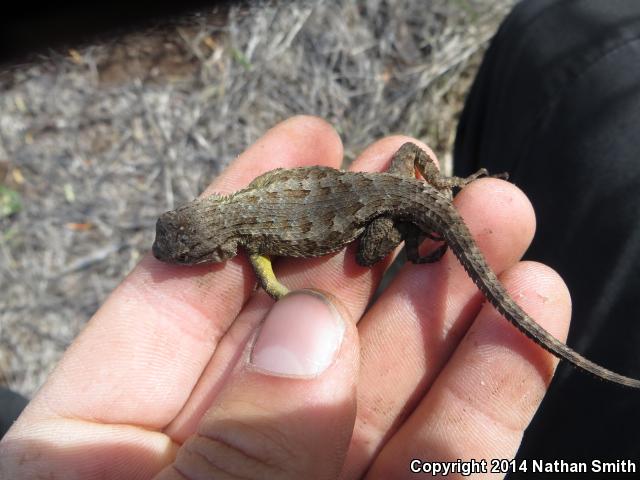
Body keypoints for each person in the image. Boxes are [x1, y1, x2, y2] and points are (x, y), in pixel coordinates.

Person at [2, 1, 638, 477]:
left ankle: (427, 216)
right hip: (393, 183)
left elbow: (278, 287)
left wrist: (300, 289)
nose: (173, 254)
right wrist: (430, 191)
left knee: (367, 255)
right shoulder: (248, 205)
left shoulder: (253, 248)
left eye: (185, 248)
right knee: (410, 164)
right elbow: (283, 198)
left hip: (382, 208)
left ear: (215, 246)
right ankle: (442, 188)